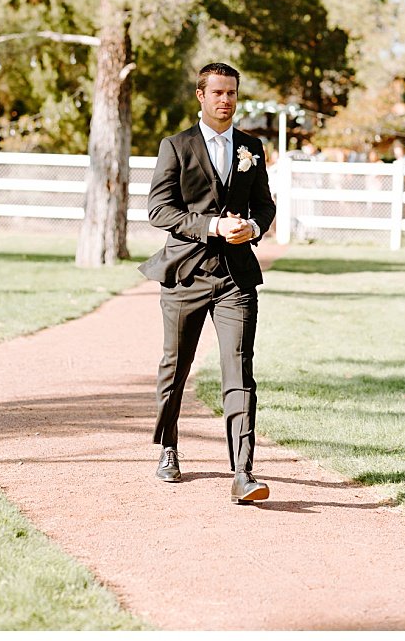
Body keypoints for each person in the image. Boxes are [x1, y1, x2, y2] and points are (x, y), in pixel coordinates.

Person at [140, 62, 277, 503]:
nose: (226, 100)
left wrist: (252, 230)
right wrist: (213, 226)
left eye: (232, 93)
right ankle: (167, 447)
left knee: (240, 371)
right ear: (201, 95)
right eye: (218, 92)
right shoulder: (176, 147)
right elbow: (160, 210)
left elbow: (265, 207)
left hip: (236, 278)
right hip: (186, 275)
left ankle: (243, 473)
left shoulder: (252, 147)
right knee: (175, 368)